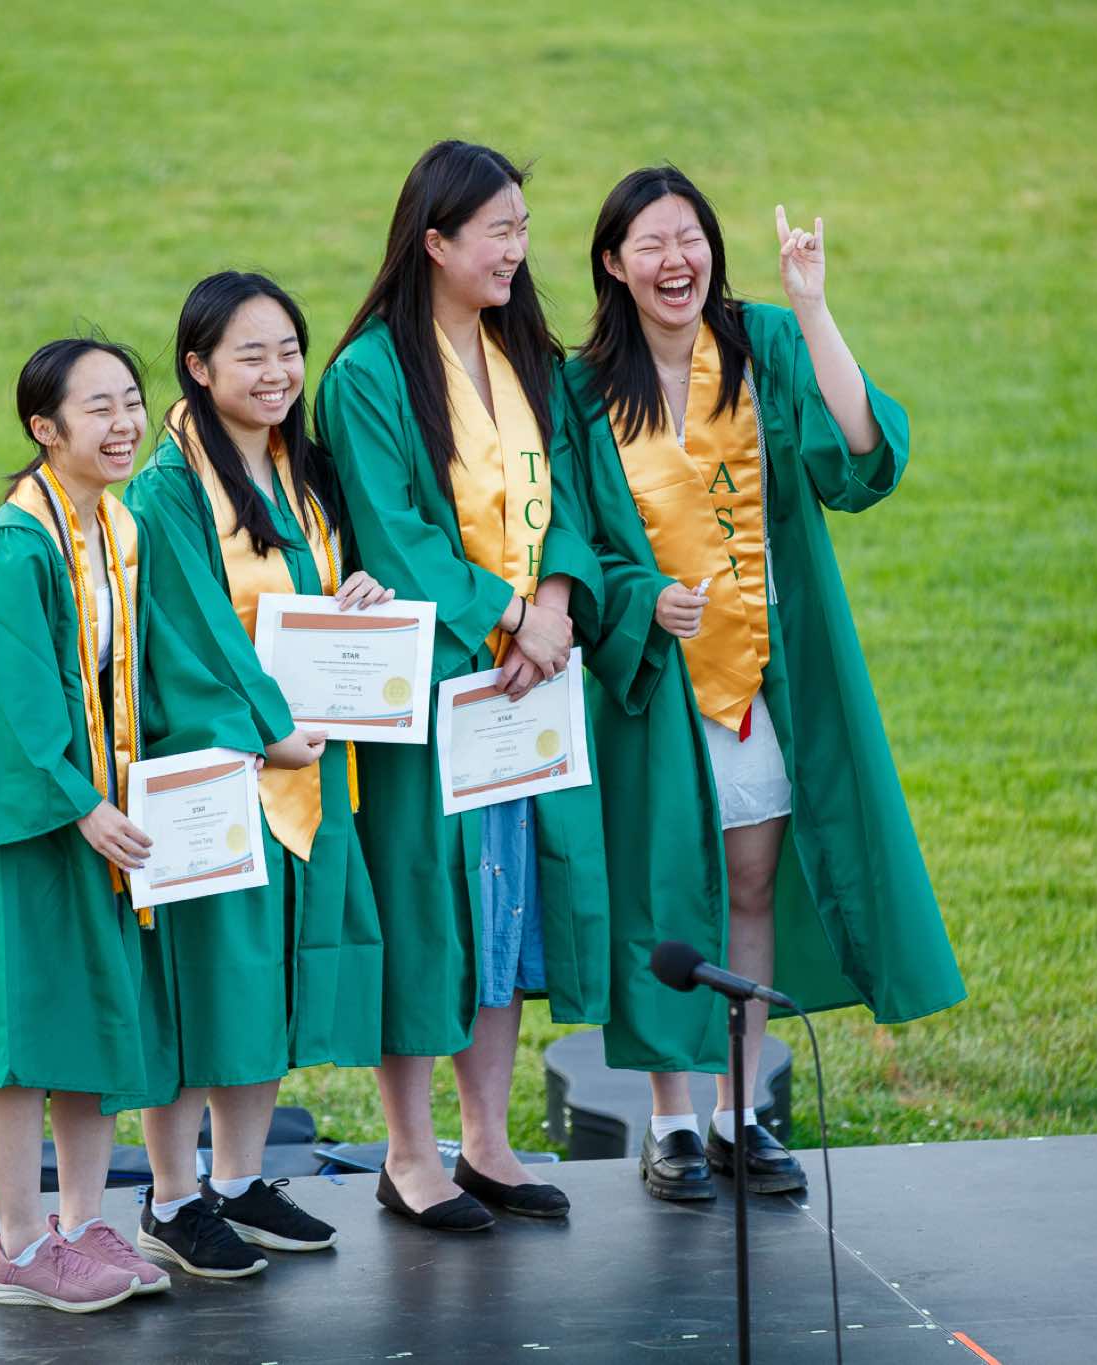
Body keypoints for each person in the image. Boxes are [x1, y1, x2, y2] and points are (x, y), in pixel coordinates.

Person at [561, 166, 964, 1202]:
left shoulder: (765, 346)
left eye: (690, 237)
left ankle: (738, 1113)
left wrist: (815, 306)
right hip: (652, 681)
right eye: (651, 243)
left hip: (765, 668)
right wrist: (637, 598)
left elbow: (859, 457)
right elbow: (569, 536)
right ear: (612, 262)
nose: (676, 261)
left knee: (749, 884)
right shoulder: (582, 389)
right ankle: (671, 1123)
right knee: (662, 893)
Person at [0, 337, 264, 1311]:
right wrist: (79, 803)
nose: (123, 424)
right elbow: (5, 698)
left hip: (103, 819)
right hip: (27, 829)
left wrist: (219, 748)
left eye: (130, 402)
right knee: (22, 1032)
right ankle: (18, 1245)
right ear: (44, 428)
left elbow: (154, 670)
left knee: (95, 1013)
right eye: (97, 408)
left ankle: (79, 1224)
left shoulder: (116, 527)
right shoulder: (14, 548)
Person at [313, 140, 611, 1230]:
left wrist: (556, 606)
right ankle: (408, 1154)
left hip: (527, 683)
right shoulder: (369, 375)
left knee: (505, 907)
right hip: (432, 691)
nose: (517, 250)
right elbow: (393, 532)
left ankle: (486, 1142)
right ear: (434, 241)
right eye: (499, 231)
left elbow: (570, 497)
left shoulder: (522, 352)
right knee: (424, 906)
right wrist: (510, 616)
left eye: (524, 228)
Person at [122, 272, 392, 1277]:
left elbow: (301, 598)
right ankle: (170, 1197)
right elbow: (190, 632)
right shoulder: (169, 487)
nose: (279, 372)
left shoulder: (298, 467)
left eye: (289, 350)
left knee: (263, 983)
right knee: (201, 988)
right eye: (252, 354)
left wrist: (355, 600)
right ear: (197, 367)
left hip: (301, 770)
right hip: (217, 772)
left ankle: (237, 1182)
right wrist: (267, 729)